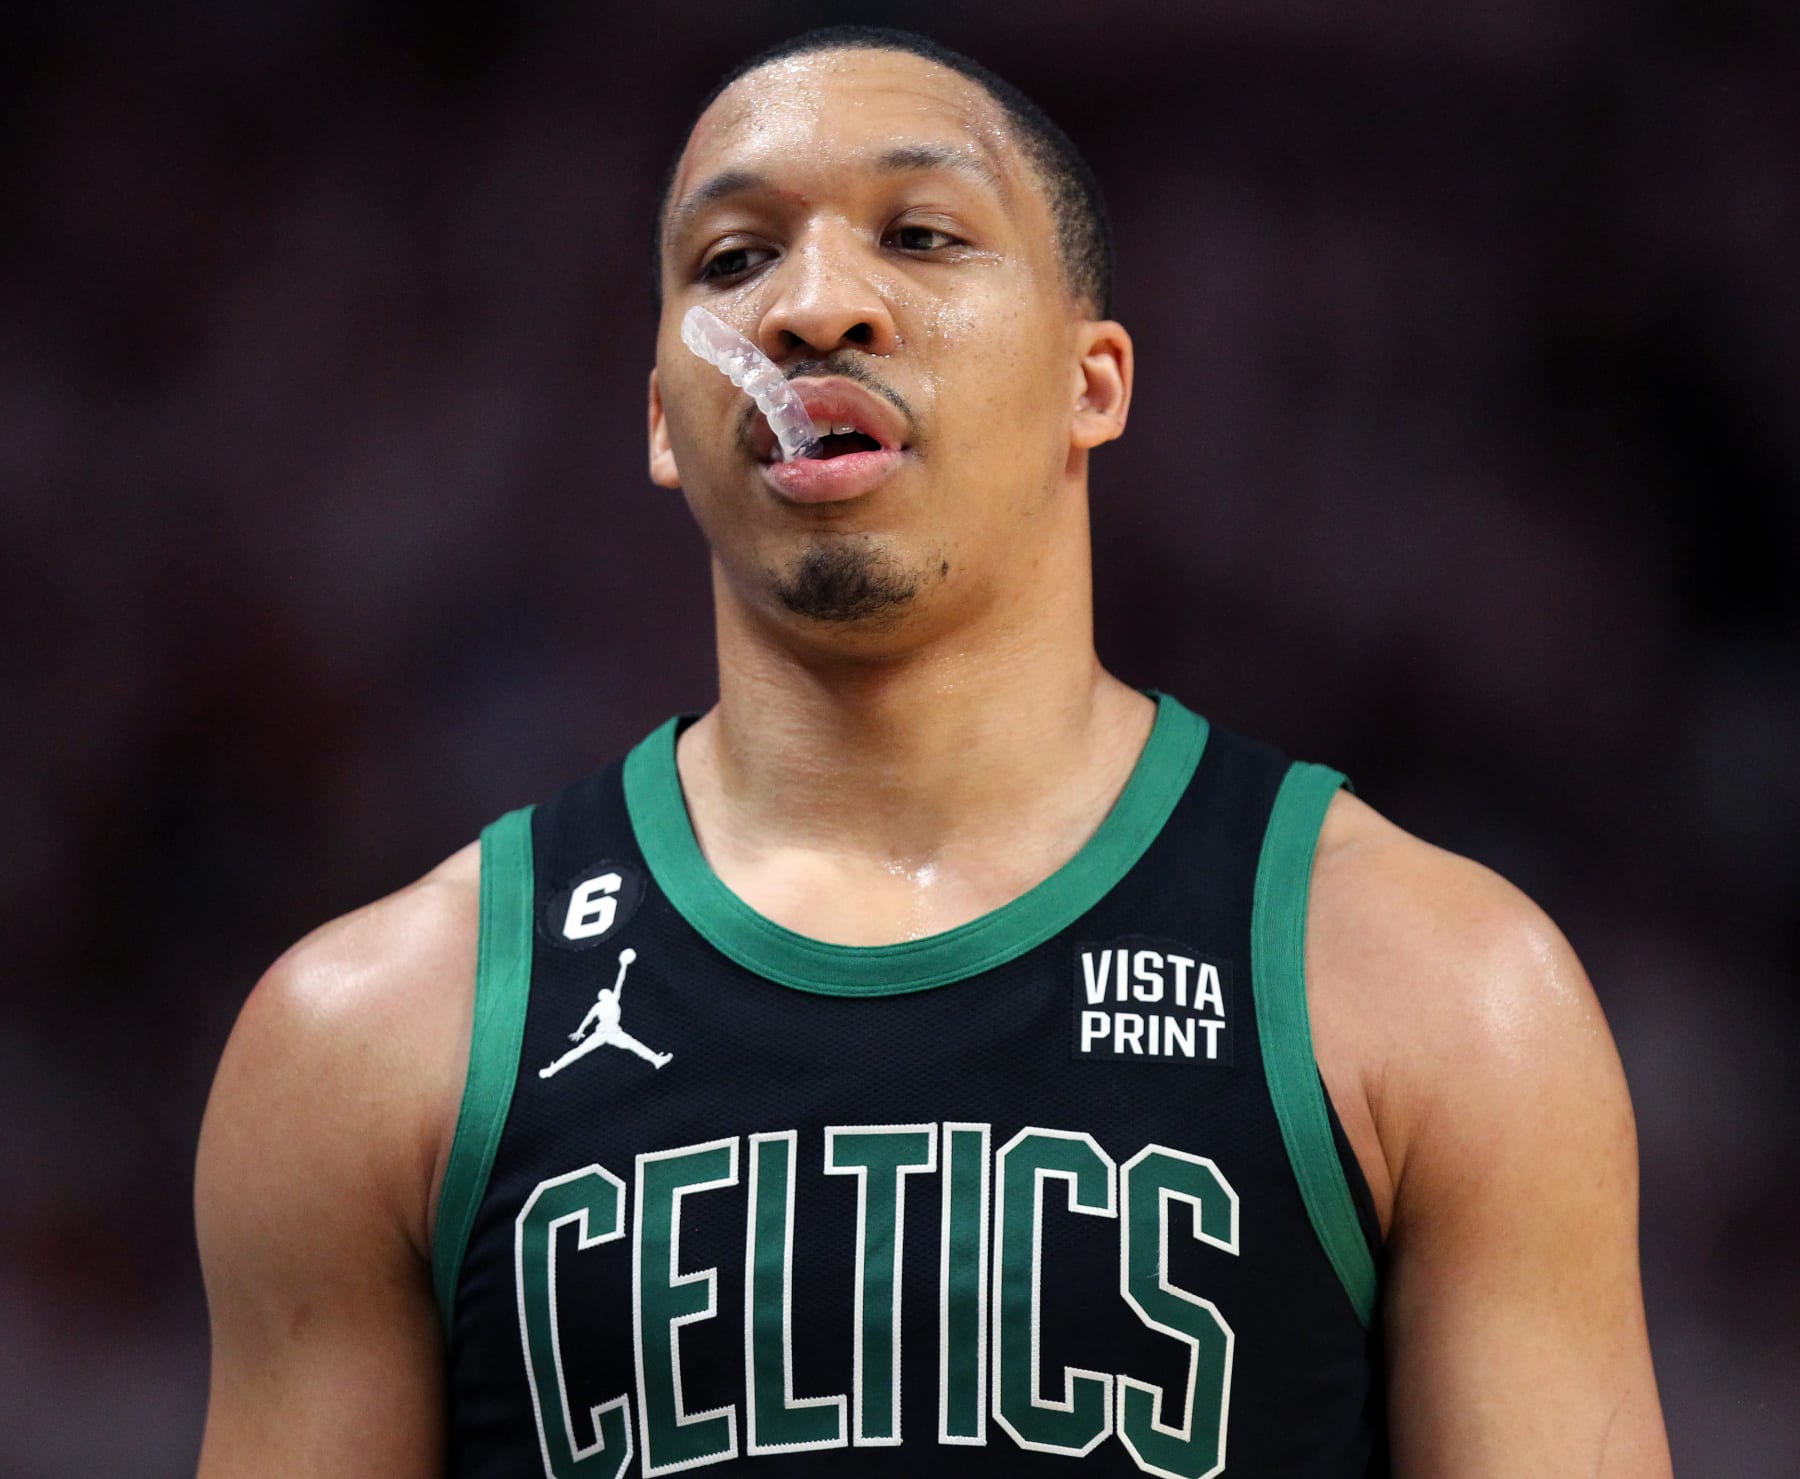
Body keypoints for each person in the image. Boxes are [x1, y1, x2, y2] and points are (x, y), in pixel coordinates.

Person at [194, 26, 1672, 1478]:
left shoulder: (1443, 991)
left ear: (1093, 384)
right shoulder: (372, 1037)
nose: (813, 309)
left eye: (921, 235)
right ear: (662, 421)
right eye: (732, 262)